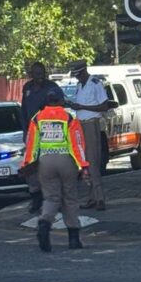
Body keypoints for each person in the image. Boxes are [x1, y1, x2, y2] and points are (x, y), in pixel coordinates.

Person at [22, 90, 89, 252]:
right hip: (66, 160)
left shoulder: (37, 119)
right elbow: (76, 144)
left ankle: (44, 223)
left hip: (46, 161)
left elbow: (31, 144)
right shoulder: (69, 118)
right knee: (70, 198)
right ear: (61, 101)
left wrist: (27, 164)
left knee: (51, 198)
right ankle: (73, 238)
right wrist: (83, 165)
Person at [20, 62, 64, 214]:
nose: (40, 77)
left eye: (42, 73)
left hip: (49, 132)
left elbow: (60, 105)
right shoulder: (27, 88)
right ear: (31, 74)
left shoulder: (52, 87)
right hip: (32, 133)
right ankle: (36, 198)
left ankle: (54, 199)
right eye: (37, 74)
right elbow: (24, 110)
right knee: (31, 167)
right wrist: (25, 131)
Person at [64, 60, 108, 211]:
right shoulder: (79, 86)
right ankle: (91, 198)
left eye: (78, 74)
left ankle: (100, 198)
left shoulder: (95, 83)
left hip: (91, 123)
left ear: (84, 71)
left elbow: (104, 105)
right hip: (80, 124)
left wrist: (82, 106)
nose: (77, 78)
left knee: (93, 161)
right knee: (84, 161)